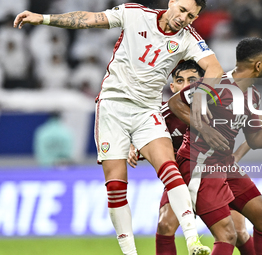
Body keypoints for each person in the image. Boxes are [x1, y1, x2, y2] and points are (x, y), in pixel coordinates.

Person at [13, 1, 224, 255]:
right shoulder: (135, 14)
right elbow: (89, 19)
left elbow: (215, 68)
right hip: (113, 106)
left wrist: (196, 99)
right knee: (115, 185)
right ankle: (129, 252)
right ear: (171, 2)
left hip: (147, 110)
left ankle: (193, 240)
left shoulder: (189, 38)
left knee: (169, 168)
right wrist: (43, 18)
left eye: (191, 16)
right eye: (181, 10)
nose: (183, 18)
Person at [128, 59, 262, 255]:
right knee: (165, 225)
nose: (185, 85)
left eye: (191, 80)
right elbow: (142, 134)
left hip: (220, 170)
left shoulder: (214, 100)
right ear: (172, 85)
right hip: (185, 175)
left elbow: (261, 122)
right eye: (180, 81)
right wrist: (133, 147)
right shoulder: (165, 113)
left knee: (238, 232)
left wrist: (237, 155)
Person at [160, 37, 262, 255]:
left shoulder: (252, 95)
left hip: (224, 165)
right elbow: (175, 103)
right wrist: (205, 129)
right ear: (258, 66)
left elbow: (254, 139)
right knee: (227, 235)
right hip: (199, 164)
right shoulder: (216, 84)